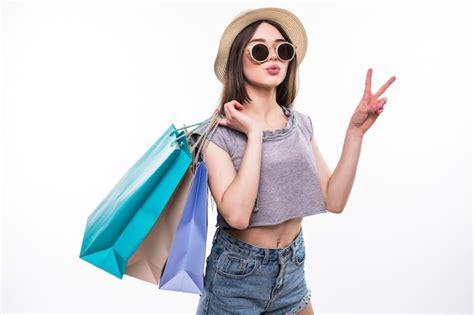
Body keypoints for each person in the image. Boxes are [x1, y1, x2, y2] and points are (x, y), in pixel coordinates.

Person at [191, 7, 396, 315]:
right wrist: (254, 134)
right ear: (238, 59)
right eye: (260, 50)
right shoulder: (215, 133)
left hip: (292, 267)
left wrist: (355, 132)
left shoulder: (300, 123)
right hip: (236, 276)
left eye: (282, 50)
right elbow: (237, 216)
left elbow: (334, 199)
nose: (273, 57)